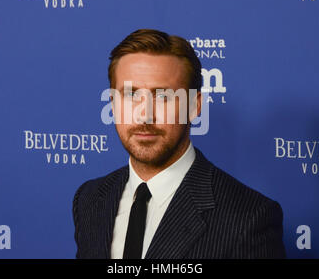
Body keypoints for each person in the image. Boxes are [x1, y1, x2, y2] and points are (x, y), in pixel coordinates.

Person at [72, 29, 286, 259]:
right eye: (131, 95)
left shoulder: (249, 218)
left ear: (195, 106)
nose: (145, 116)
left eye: (163, 96)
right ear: (112, 104)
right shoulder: (90, 199)